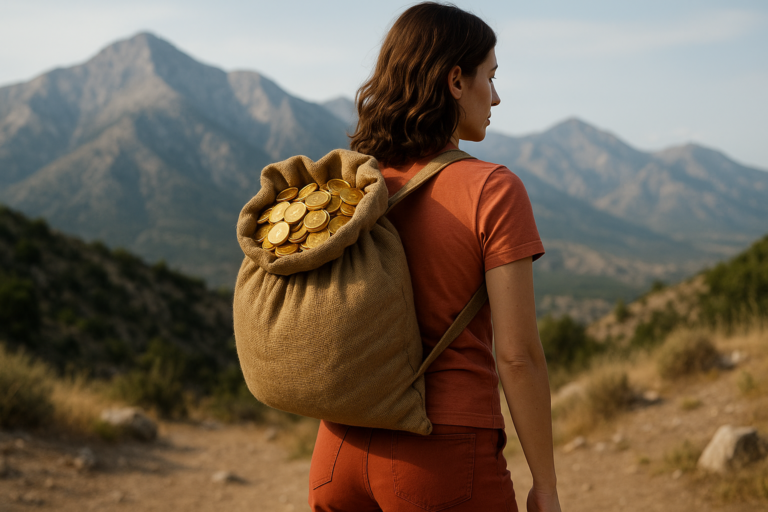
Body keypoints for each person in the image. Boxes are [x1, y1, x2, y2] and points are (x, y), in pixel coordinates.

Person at [308, 3, 562, 511]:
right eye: (489, 77)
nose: (495, 96)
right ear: (454, 81)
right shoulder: (492, 188)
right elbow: (517, 356)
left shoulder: (355, 185)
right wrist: (546, 486)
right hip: (441, 453)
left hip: (337, 450)